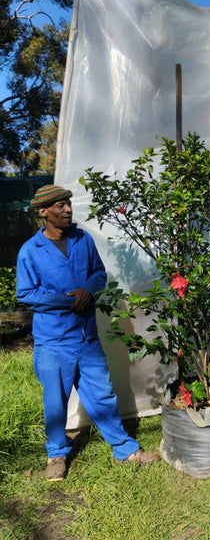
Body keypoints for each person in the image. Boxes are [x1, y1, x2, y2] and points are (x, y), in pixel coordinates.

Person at [16, 185, 159, 481]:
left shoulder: (84, 240)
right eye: (60, 206)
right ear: (43, 212)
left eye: (68, 203)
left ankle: (124, 450)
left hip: (87, 337)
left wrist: (89, 291)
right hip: (54, 342)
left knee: (102, 395)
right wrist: (69, 300)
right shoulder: (31, 251)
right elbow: (26, 293)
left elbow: (99, 273)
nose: (68, 209)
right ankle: (56, 453)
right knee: (56, 401)